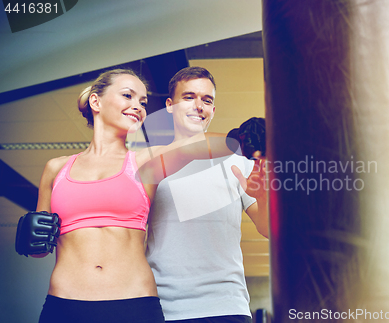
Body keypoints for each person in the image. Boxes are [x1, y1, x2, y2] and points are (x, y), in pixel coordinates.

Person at [17, 68, 235, 323]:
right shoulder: (56, 168)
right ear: (95, 101)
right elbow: (39, 251)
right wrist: (28, 238)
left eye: (143, 102)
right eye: (128, 96)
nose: (138, 107)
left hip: (133, 305)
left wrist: (242, 138)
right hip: (64, 305)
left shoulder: (147, 161)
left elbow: (198, 146)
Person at [146, 66, 269, 322]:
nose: (199, 105)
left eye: (207, 100)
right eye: (188, 97)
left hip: (226, 305)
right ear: (169, 105)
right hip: (163, 307)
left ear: (213, 110)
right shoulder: (151, 163)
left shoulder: (240, 163)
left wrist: (264, 196)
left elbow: (267, 228)